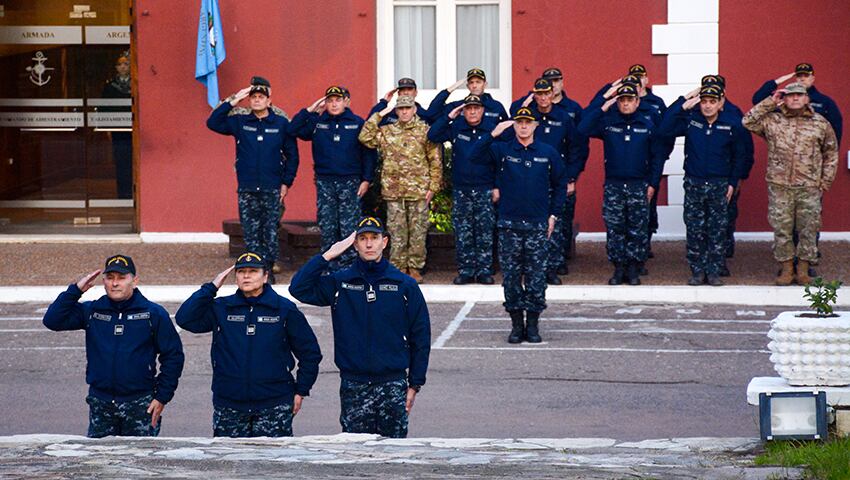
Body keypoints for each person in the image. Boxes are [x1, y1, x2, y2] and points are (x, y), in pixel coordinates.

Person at [289, 217, 430, 438]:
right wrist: (328, 255)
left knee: (393, 456)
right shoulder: (341, 282)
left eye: (374, 238)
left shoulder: (404, 285)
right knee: (355, 456)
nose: (369, 244)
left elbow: (420, 337)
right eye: (362, 239)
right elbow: (298, 288)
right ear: (354, 244)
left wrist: (415, 384)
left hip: (392, 384)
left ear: (384, 242)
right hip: (354, 384)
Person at [175, 252, 322, 437]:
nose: (246, 276)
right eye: (241, 271)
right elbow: (184, 318)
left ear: (265, 276)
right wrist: (211, 287)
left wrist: (301, 389)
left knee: (272, 464)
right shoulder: (221, 308)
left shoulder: (284, 309)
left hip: (274, 404)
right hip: (229, 404)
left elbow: (310, 353)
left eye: (253, 271)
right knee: (230, 464)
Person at [42, 255, 184, 438]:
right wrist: (75, 291)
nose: (115, 283)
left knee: (140, 463)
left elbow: (173, 356)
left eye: (121, 278)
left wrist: (162, 397)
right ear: (104, 282)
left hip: (140, 404)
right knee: (101, 463)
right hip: (101, 404)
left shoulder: (152, 313)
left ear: (134, 281)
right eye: (110, 278)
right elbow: (52, 320)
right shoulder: (93, 311)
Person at [469, 107, 567, 344]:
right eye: (519, 122)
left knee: (536, 277)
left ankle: (532, 325)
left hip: (536, 225)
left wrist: (553, 215)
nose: (523, 126)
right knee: (512, 277)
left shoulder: (547, 152)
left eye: (527, 123)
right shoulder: (503, 150)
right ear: (514, 126)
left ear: (535, 126)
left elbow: (561, 184)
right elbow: (473, 155)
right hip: (509, 225)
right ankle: (516, 325)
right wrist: (492, 134)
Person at [743, 82, 838, 285]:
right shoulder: (773, 120)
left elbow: (831, 152)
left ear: (807, 99)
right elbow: (748, 121)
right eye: (790, 95)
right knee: (782, 229)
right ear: (784, 98)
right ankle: (786, 269)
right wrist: (770, 101)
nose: (795, 98)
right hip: (780, 186)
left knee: (808, 229)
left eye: (799, 95)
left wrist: (825, 181)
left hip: (809, 187)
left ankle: (803, 270)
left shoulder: (820, 123)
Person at [206, 76, 300, 283]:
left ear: (269, 100)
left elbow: (293, 156)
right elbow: (212, 122)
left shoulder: (281, 123)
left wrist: (286, 183)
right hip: (247, 187)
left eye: (261, 97)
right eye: (253, 97)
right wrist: (235, 98)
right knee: (250, 231)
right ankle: (254, 269)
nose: (257, 100)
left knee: (270, 231)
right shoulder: (240, 121)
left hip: (272, 186)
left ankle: (268, 270)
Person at [578, 85, 667, 286]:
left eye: (629, 100)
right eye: (622, 100)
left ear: (637, 102)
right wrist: (604, 103)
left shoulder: (647, 125)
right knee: (615, 228)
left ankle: (634, 269)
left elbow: (657, 157)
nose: (625, 103)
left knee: (637, 229)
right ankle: (618, 269)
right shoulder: (609, 124)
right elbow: (582, 128)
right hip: (614, 185)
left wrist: (653, 183)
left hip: (638, 185)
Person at [660, 85, 747, 286]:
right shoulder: (691, 122)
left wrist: (733, 183)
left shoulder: (732, 124)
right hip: (694, 183)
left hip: (720, 184)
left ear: (720, 103)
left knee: (717, 230)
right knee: (695, 230)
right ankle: (697, 271)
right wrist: (682, 104)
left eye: (712, 102)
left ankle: (714, 271)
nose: (707, 106)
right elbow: (663, 129)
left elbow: (739, 157)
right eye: (704, 101)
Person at [289, 86, 377, 272]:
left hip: (350, 182)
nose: (334, 104)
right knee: (327, 226)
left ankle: (350, 266)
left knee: (349, 227)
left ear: (346, 101)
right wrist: (311, 110)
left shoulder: (357, 123)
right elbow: (293, 129)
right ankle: (328, 266)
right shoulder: (317, 123)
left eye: (338, 100)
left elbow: (369, 152)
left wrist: (367, 179)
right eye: (330, 100)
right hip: (325, 182)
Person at [359, 95, 442, 283]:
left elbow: (435, 161)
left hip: (419, 191)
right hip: (394, 191)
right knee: (396, 232)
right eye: (400, 109)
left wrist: (433, 187)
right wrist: (380, 113)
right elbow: (365, 137)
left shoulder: (425, 132)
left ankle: (414, 268)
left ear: (414, 110)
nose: (404, 112)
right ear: (396, 111)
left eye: (408, 108)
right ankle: (397, 268)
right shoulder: (387, 132)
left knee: (418, 232)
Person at [515, 78, 589, 283]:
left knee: (555, 225)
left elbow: (577, 149)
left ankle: (553, 268)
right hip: (531, 180)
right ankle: (533, 268)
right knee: (531, 225)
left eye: (546, 93)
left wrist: (571, 177)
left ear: (552, 94)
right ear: (534, 96)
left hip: (557, 179)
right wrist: (525, 103)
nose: (543, 98)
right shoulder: (529, 117)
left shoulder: (563, 118)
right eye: (538, 94)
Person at [428, 94, 499, 285]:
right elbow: (432, 135)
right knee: (463, 231)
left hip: (485, 188)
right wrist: (449, 116)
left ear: (483, 110)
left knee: (484, 231)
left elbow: (501, 161)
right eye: (468, 108)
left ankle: (484, 270)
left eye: (476, 108)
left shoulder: (491, 129)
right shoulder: (457, 127)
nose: (473, 111)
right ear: (463, 111)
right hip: (462, 189)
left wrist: (497, 186)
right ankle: (466, 270)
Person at [699, 74, 755, 272]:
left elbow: (745, 150)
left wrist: (740, 176)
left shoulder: (733, 114)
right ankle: (704, 258)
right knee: (701, 222)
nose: (708, 103)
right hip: (703, 177)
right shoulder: (697, 114)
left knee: (725, 219)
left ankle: (721, 257)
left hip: (727, 176)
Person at [752, 63, 843, 143]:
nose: (802, 79)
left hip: (813, 155)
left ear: (812, 78)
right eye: (799, 76)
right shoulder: (785, 98)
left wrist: (828, 157)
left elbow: (835, 130)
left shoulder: (824, 102)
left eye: (806, 76)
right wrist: (777, 81)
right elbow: (757, 100)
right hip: (785, 151)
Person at [426, 68, 508, 129]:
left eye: (478, 82)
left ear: (485, 84)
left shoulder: (496, 106)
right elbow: (432, 113)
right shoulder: (459, 106)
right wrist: (449, 90)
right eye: (471, 82)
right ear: (468, 86)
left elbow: (507, 132)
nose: (474, 85)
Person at [102, 51, 133, 199]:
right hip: (116, 127)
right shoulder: (110, 86)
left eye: (126, 64)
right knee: (121, 160)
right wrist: (106, 128)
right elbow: (104, 108)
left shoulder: (135, 84)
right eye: (119, 64)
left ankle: (134, 191)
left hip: (132, 128)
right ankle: (123, 192)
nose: (122, 67)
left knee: (134, 160)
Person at [509, 67, 583, 124]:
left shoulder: (573, 107)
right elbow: (512, 112)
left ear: (562, 82)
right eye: (549, 81)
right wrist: (524, 106)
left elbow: (580, 134)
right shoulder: (531, 101)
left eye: (556, 81)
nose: (553, 85)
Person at [369, 77, 434, 126]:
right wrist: (384, 102)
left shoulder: (424, 115)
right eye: (403, 90)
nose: (406, 93)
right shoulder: (390, 114)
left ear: (416, 92)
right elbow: (369, 123)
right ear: (398, 93)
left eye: (409, 89)